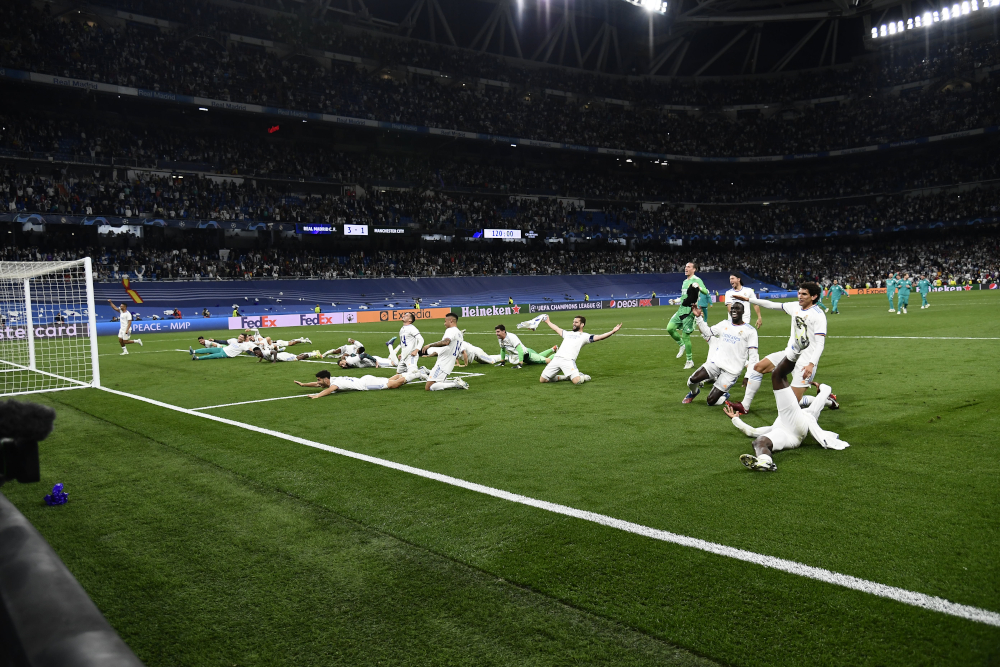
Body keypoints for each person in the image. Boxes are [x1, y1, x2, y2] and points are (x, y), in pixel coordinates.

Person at [723, 341, 849, 472]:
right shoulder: (805, 416)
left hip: (794, 436)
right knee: (759, 442)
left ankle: (796, 350)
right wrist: (823, 388)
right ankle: (765, 462)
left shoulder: (798, 417)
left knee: (778, 376)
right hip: (793, 436)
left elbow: (751, 431)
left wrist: (736, 420)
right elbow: (752, 432)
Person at [727, 283, 828, 413]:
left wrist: (811, 364)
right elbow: (771, 304)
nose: (800, 297)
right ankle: (744, 406)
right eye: (799, 293)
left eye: (804, 294)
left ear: (814, 296)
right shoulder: (795, 307)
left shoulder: (818, 315)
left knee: (791, 404)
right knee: (758, 367)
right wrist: (748, 299)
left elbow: (820, 343)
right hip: (789, 354)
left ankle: (826, 399)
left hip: (806, 361)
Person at [682, 302, 758, 407]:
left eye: (737, 308)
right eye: (732, 308)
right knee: (692, 380)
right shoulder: (724, 324)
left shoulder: (750, 331)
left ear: (743, 312)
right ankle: (694, 393)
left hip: (732, 372)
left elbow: (754, 356)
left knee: (710, 401)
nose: (734, 310)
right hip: (716, 363)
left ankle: (723, 395)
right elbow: (707, 332)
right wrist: (699, 317)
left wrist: (748, 375)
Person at [539, 316, 621, 385]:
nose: (574, 324)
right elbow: (556, 329)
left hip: (568, 360)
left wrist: (612, 331)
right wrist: (548, 322)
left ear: (582, 324)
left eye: (576, 322)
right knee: (543, 380)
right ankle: (566, 377)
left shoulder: (585, 336)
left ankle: (582, 376)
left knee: (577, 381)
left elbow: (600, 337)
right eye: (573, 322)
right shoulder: (567, 333)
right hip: (556, 359)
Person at [667, 262, 709, 370]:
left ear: (694, 269)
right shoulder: (685, 282)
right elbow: (683, 297)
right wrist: (675, 300)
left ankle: (689, 361)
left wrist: (699, 287)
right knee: (670, 328)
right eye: (685, 267)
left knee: (686, 336)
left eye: (688, 267)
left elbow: (706, 292)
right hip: (681, 309)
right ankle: (682, 345)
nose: (686, 268)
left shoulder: (697, 280)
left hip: (690, 310)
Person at [421, 312, 470, 390]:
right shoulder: (459, 333)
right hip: (449, 361)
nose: (444, 323)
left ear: (451, 320)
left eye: (445, 321)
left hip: (443, 362)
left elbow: (446, 342)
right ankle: (456, 382)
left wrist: (430, 345)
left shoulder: (450, 330)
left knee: (429, 386)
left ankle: (455, 384)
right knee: (438, 382)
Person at [293, 369, 417, 398]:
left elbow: (328, 390)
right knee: (389, 381)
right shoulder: (332, 379)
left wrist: (317, 396)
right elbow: (317, 385)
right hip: (365, 379)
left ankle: (416, 374)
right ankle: (407, 373)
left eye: (320, 379)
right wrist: (303, 385)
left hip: (366, 384)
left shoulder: (336, 383)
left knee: (393, 385)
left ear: (326, 379)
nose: (318, 382)